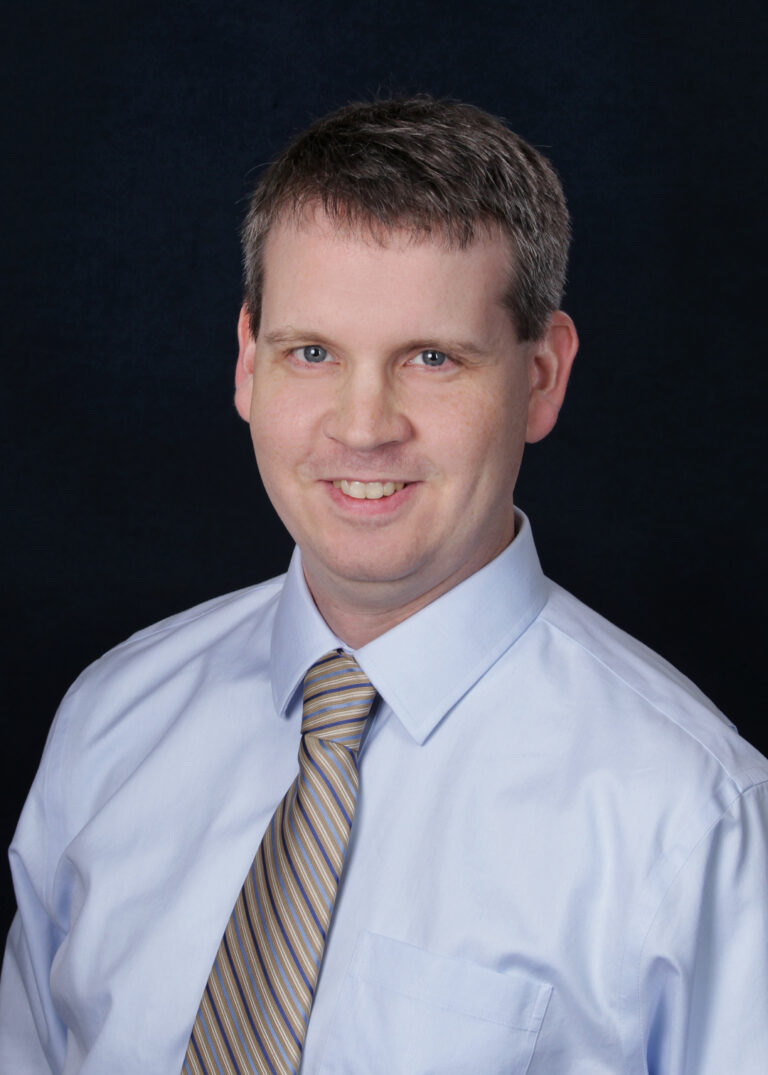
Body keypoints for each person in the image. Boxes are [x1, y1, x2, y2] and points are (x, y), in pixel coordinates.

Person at [1, 96, 766, 1075]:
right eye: (312, 352)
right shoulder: (113, 723)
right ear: (247, 363)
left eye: (433, 358)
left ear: (541, 378)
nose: (363, 427)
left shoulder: (692, 817)